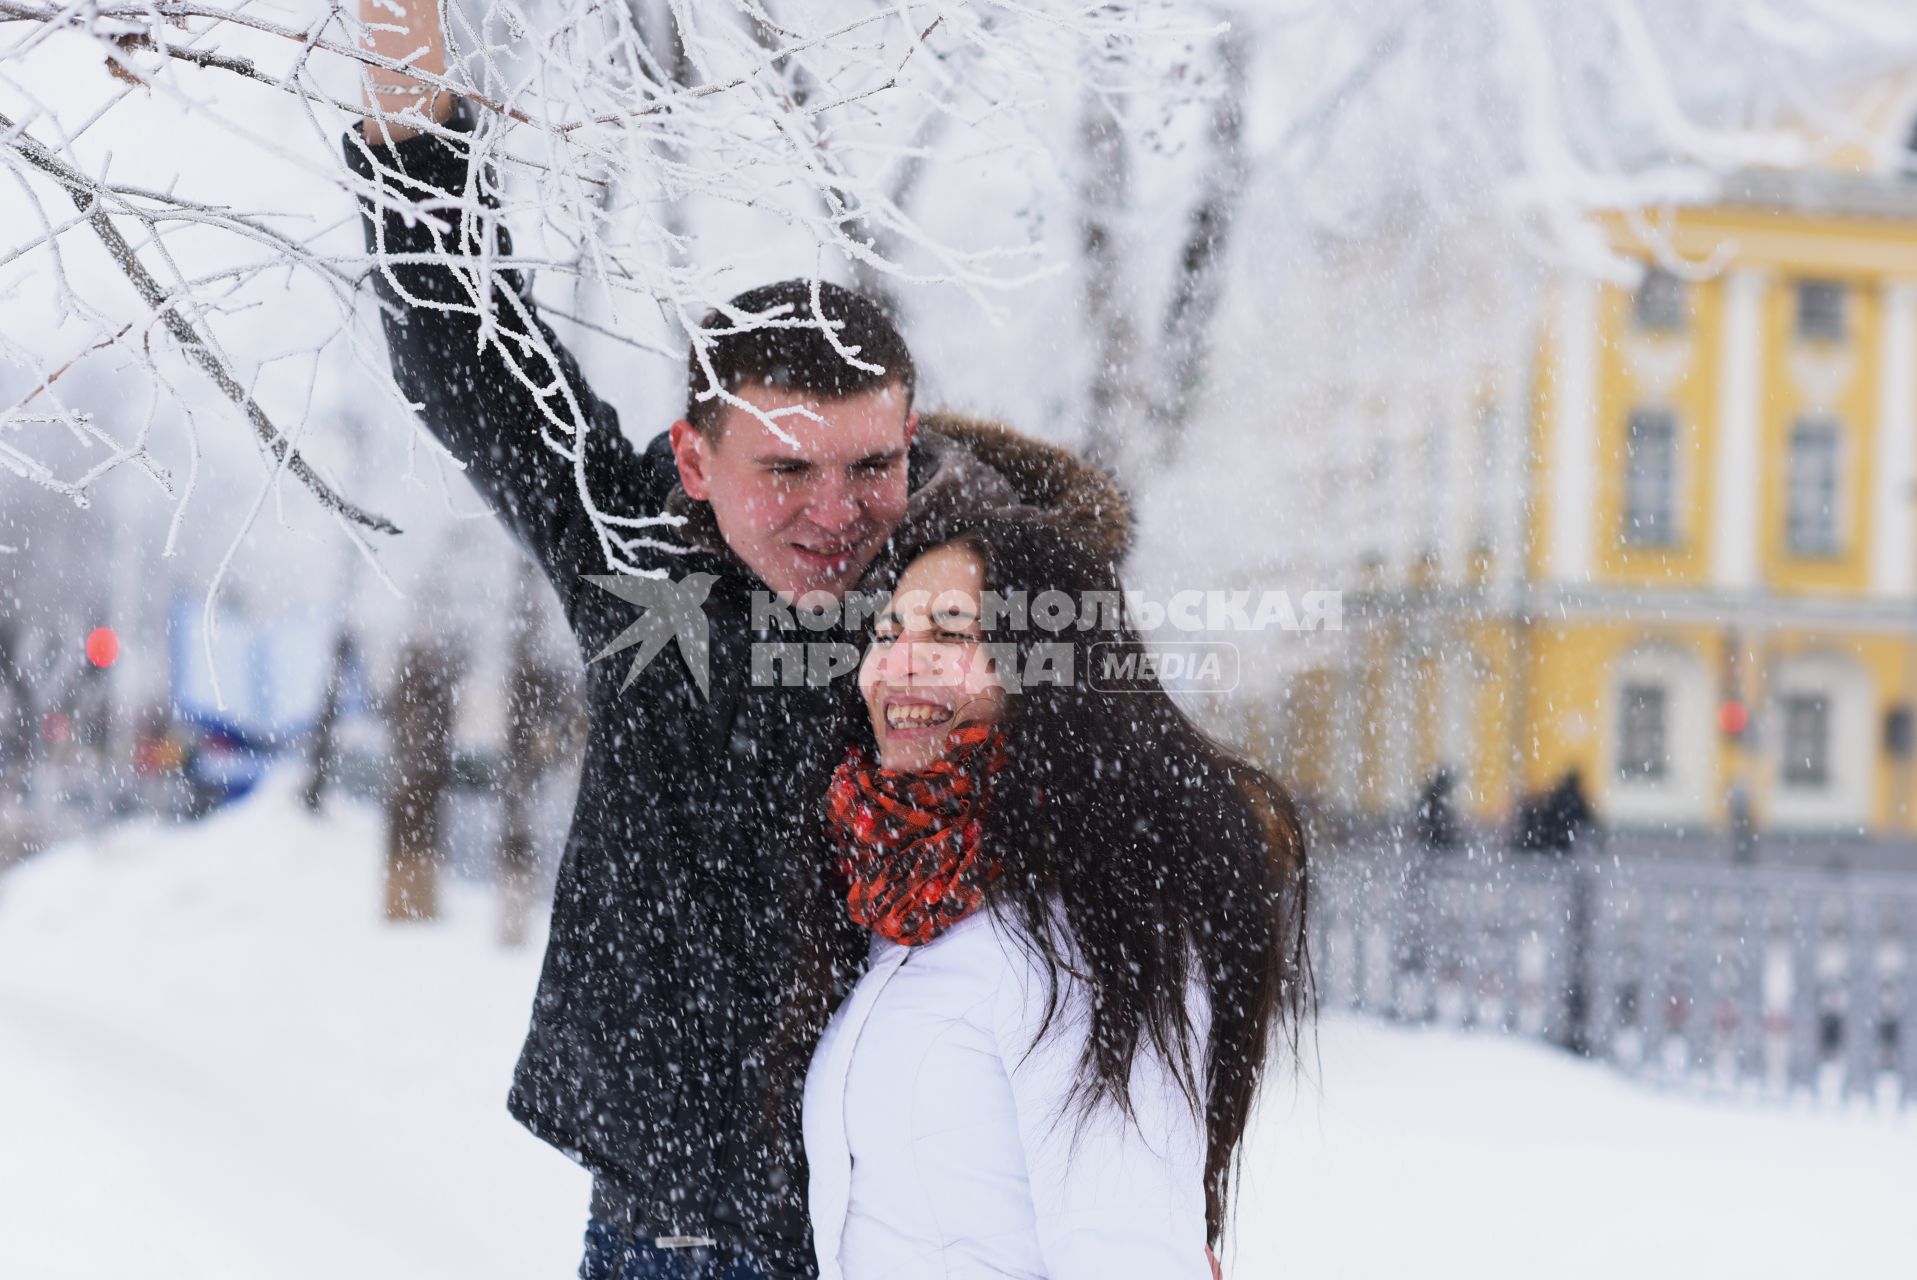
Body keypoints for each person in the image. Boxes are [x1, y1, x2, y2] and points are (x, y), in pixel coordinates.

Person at [342, 6, 1132, 1277]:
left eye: (872, 463)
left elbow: (1130, 858)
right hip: (665, 1216)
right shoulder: (631, 556)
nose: (837, 511)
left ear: (913, 431)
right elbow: (458, 331)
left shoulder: (966, 603)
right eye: (788, 469)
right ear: (695, 460)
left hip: (900, 1227)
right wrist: (401, 35)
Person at [772, 517, 1312, 1279]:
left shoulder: (1088, 936)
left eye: (951, 635)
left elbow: (1124, 1256)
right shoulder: (902, 896)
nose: (896, 665)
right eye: (887, 630)